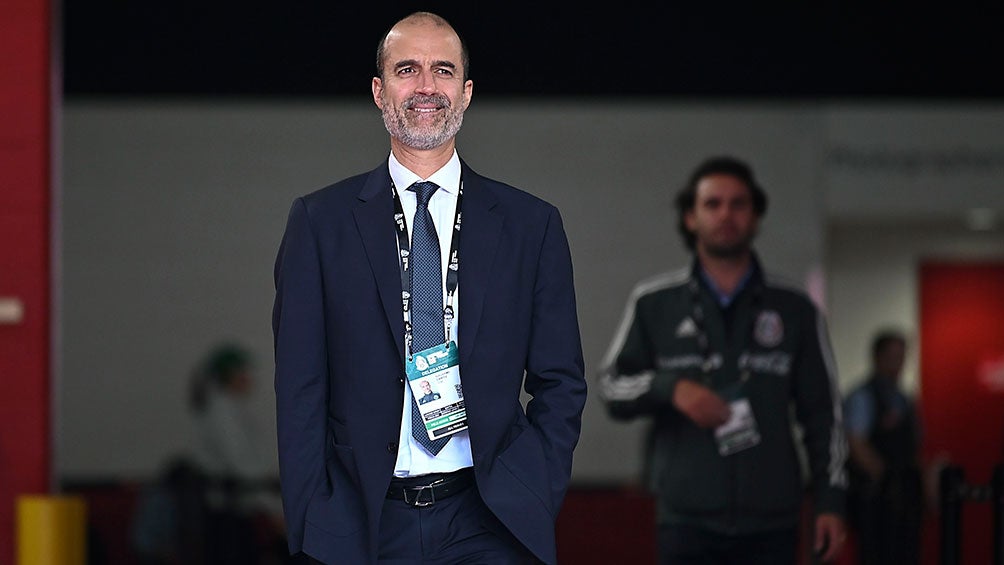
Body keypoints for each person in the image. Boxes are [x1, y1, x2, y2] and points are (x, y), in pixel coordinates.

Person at [271, 11, 586, 565]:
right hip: (358, 523)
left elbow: (561, 381)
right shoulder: (319, 223)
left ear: (465, 93)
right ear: (378, 90)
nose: (425, 87)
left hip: (487, 519)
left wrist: (534, 485)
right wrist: (310, 515)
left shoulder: (530, 225)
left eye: (443, 71)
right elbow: (299, 390)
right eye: (406, 69)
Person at [598, 155, 848, 565]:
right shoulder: (655, 302)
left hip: (773, 523)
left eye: (738, 204)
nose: (725, 215)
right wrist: (671, 388)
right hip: (686, 522)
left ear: (755, 216)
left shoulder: (795, 308)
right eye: (712, 204)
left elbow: (825, 416)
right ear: (691, 217)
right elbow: (610, 385)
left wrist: (831, 502)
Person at [188, 343, 287, 565]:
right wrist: (274, 509)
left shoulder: (231, 410)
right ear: (230, 376)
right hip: (228, 514)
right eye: (243, 372)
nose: (249, 378)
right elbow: (245, 469)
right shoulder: (221, 414)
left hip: (240, 509)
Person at [843, 329, 923, 565]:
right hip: (875, 500)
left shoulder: (904, 398)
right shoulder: (863, 396)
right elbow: (855, 442)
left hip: (905, 499)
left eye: (901, 357)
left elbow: (914, 445)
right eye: (892, 356)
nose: (897, 363)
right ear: (877, 357)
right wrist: (885, 479)